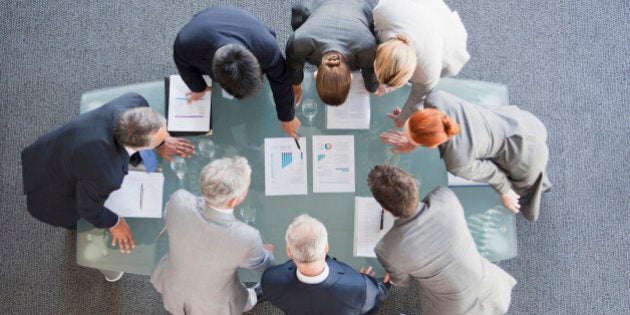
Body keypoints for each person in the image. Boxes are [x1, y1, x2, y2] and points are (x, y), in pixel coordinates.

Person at [21, 92, 194, 280]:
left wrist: (159, 143)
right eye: (163, 135)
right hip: (51, 196)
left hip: (51, 150)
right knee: (80, 221)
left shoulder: (135, 102)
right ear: (139, 147)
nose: (168, 134)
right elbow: (88, 208)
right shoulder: (107, 173)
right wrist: (115, 222)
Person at [367, 164, 517, 315]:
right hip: (491, 287)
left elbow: (403, 281)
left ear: (384, 209)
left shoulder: (387, 249)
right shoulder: (445, 197)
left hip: (453, 309)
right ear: (414, 184)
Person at [380, 90, 551, 221]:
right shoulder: (436, 99)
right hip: (519, 121)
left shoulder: (457, 162)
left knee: (524, 195)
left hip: (525, 154)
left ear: (432, 146)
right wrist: (413, 134)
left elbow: (493, 173)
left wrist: (505, 192)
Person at [151, 156, 275, 314]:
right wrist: (268, 251)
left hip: (172, 290)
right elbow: (264, 265)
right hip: (213, 305)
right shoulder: (246, 236)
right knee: (248, 298)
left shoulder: (179, 199)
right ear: (234, 201)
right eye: (246, 187)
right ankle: (253, 297)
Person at [174, 5, 301, 140]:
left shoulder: (266, 46)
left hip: (247, 28)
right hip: (205, 23)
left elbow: (280, 78)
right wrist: (198, 88)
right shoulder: (187, 43)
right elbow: (183, 65)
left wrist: (287, 116)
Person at [261, 214, 390, 314]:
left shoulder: (270, 280)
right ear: (326, 247)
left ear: (289, 251)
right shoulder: (361, 287)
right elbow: (373, 306)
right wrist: (364, 281)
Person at [372, 0, 470, 127]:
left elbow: (418, 97)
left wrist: (402, 119)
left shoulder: (428, 71)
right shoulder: (385, 9)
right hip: (411, 10)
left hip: (439, 30)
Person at [286, 0, 378, 106]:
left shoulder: (367, 46)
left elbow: (371, 73)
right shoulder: (299, 42)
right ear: (316, 75)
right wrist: (296, 84)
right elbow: (294, 69)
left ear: (351, 77)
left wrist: (373, 88)